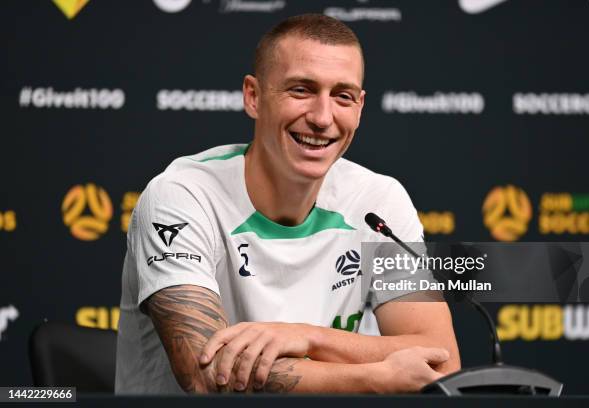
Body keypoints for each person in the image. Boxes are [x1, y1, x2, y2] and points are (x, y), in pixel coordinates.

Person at [115, 13, 460, 394]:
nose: (322, 117)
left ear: (360, 107)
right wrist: (374, 378)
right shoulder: (180, 196)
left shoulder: (379, 200)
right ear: (254, 96)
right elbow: (208, 377)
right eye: (301, 90)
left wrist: (307, 338)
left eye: (342, 96)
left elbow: (441, 360)